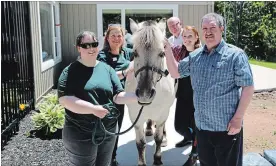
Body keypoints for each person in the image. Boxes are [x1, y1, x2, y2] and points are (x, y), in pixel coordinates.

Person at [164, 13, 254, 166]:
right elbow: (176, 72)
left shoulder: (235, 55)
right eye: (205, 28)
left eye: (213, 27)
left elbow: (248, 87)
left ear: (221, 29)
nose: (208, 32)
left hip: (226, 129)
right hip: (203, 130)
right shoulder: (196, 56)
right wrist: (167, 49)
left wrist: (238, 119)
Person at [58, 31, 137, 166]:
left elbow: (117, 96)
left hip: (108, 130)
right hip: (80, 132)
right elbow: (65, 100)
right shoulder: (70, 71)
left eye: (94, 44)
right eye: (86, 45)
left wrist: (138, 97)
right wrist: (93, 109)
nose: (91, 48)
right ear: (78, 48)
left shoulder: (107, 69)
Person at [97, 25, 134, 166]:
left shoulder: (127, 53)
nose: (116, 38)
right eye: (113, 35)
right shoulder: (101, 56)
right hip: (105, 99)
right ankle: (101, 159)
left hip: (120, 98)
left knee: (116, 130)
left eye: (119, 35)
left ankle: (112, 158)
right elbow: (108, 76)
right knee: (104, 131)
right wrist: (126, 72)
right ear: (107, 37)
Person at [170, 25, 201, 165]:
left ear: (196, 38)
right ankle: (192, 139)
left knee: (195, 127)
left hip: (197, 97)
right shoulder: (179, 51)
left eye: (190, 36)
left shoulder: (201, 53)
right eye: (185, 36)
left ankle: (194, 153)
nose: (187, 39)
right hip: (182, 94)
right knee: (179, 126)